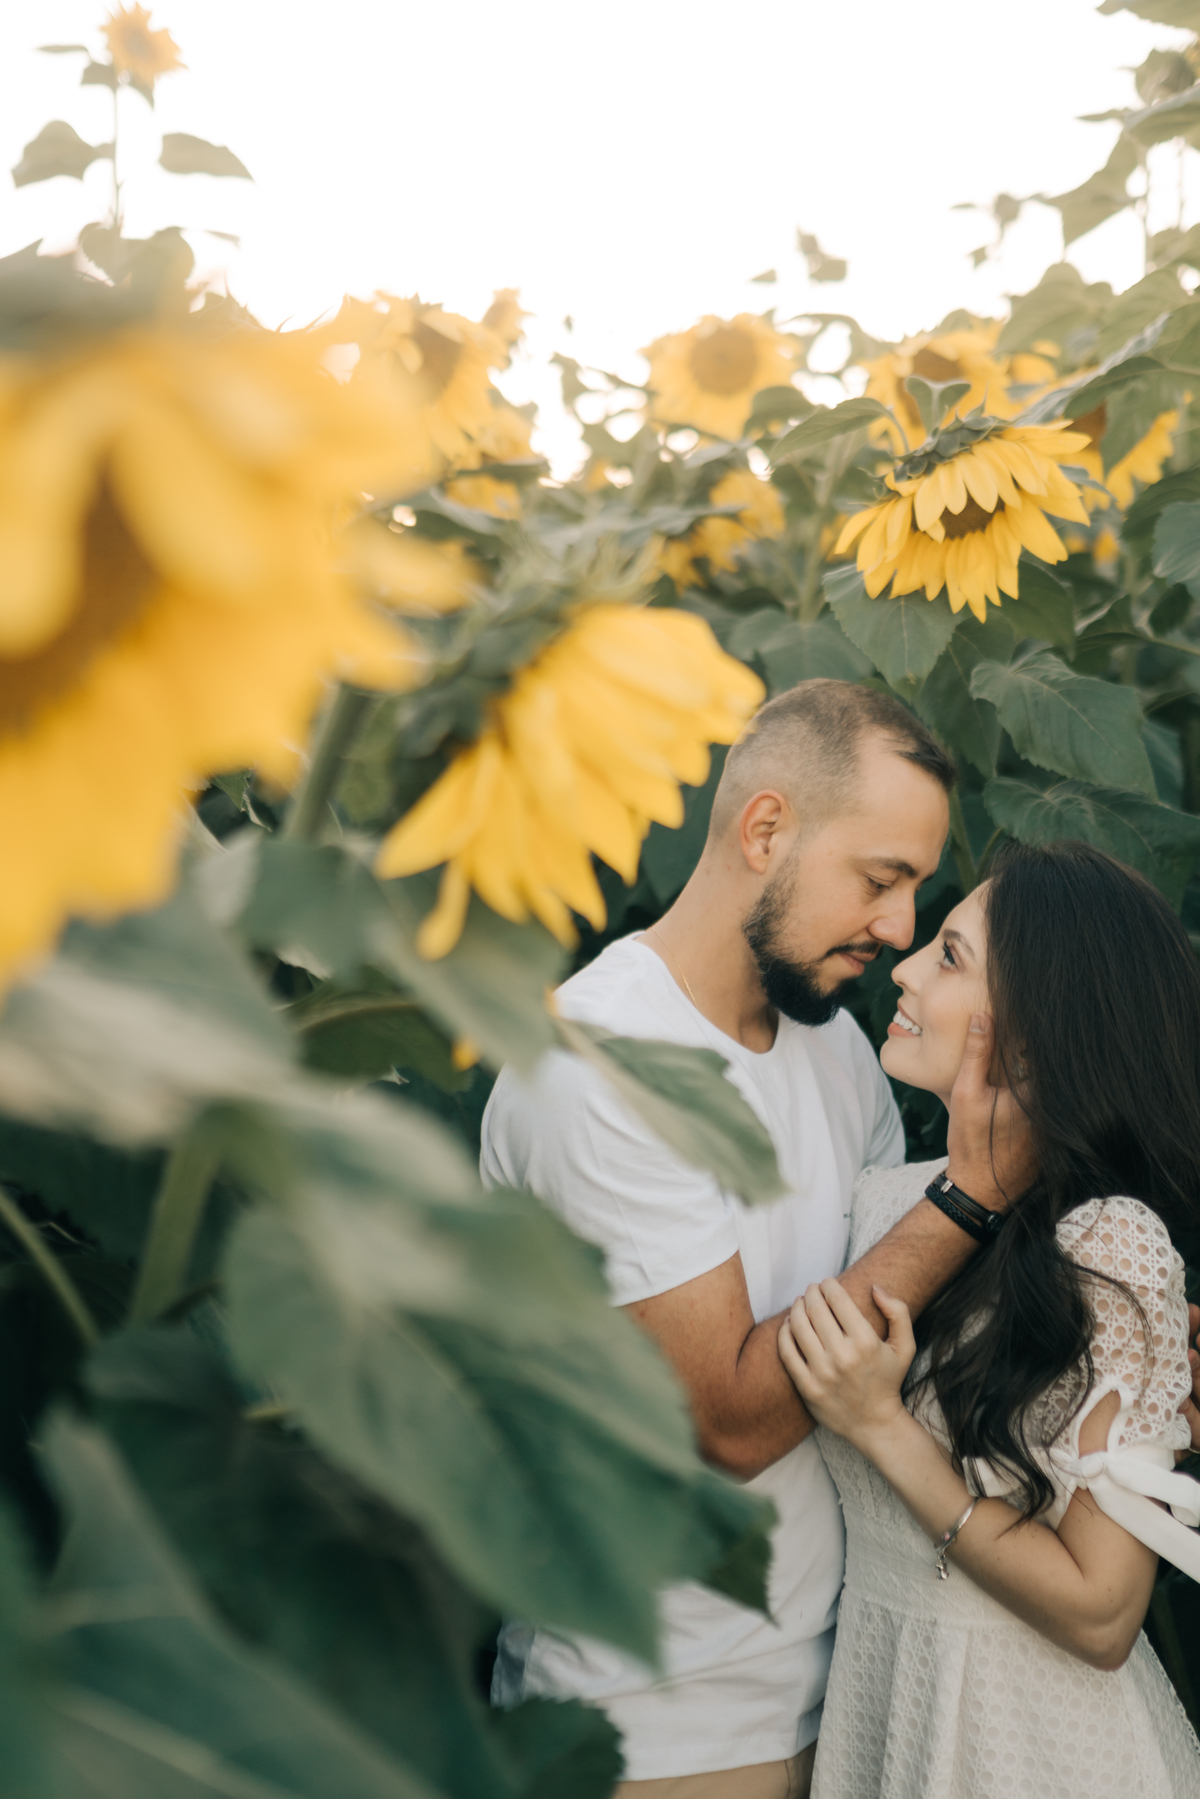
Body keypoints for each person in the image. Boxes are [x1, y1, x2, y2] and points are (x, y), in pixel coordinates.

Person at [482, 679, 1034, 1799]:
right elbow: (728, 1417)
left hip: (850, 1691)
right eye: (881, 879)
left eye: (916, 888)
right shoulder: (602, 1059)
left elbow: (905, 1302)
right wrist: (971, 1196)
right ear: (766, 828)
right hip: (655, 1729)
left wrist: (1111, 1355)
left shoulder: (831, 1044)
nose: (897, 927)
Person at [779, 840, 1200, 1798]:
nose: (907, 965)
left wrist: (883, 1426)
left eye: (953, 956)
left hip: (1035, 1741)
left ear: (1031, 1038)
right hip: (887, 1705)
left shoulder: (1112, 1245)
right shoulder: (890, 1207)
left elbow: (1104, 1614)